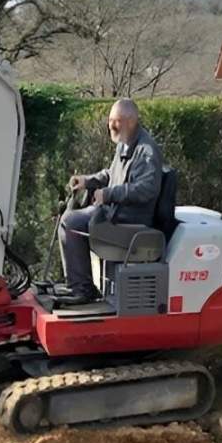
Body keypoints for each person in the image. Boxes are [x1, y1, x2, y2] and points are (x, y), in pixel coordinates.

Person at [58, 98, 163, 305]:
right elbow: (110, 174)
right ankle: (79, 285)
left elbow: (147, 189)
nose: (110, 126)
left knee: (70, 222)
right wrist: (87, 181)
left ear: (130, 121)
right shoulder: (126, 144)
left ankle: (82, 289)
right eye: (110, 120)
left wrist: (108, 194)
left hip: (130, 221)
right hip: (115, 214)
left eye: (115, 121)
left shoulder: (147, 151)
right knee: (69, 218)